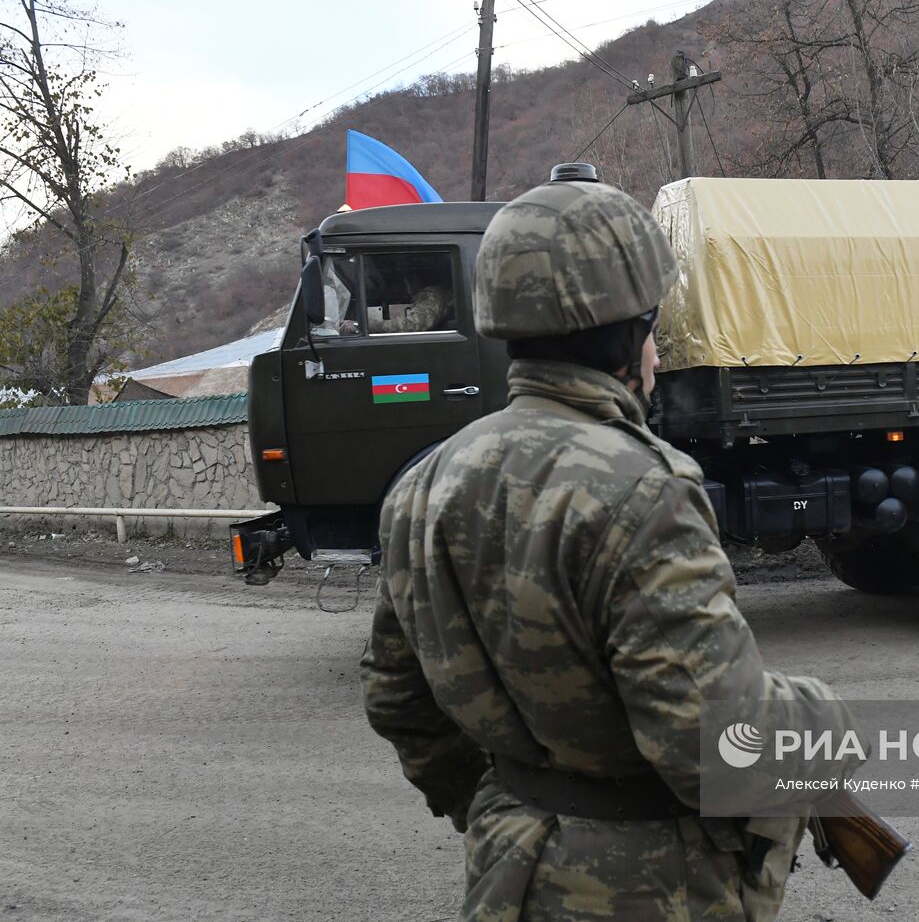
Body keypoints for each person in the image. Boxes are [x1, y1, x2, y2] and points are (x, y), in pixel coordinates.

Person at [359, 175, 859, 921]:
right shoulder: (643, 488)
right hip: (654, 889)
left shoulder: (423, 485)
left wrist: (505, 805)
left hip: (508, 871)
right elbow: (715, 743)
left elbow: (399, 698)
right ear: (630, 338)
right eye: (652, 330)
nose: (657, 353)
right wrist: (823, 717)